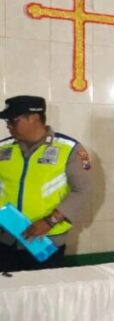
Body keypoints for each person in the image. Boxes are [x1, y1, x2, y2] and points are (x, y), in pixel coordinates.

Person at [0, 96, 93, 273]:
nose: (8, 126)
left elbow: (83, 191)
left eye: (13, 120)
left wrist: (50, 221)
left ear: (34, 118)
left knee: (43, 289)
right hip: (5, 240)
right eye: (7, 121)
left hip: (45, 240)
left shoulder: (69, 149)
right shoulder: (3, 148)